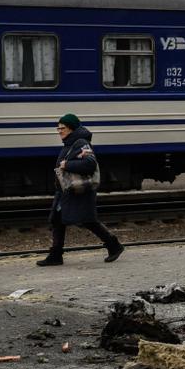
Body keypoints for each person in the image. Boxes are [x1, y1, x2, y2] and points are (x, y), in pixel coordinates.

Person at [37, 113, 124, 267]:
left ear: (71, 128)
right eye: (58, 128)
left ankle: (114, 245)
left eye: (62, 128)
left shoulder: (81, 143)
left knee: (88, 221)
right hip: (66, 191)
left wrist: (67, 165)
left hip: (79, 191)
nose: (59, 131)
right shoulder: (70, 143)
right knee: (57, 220)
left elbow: (90, 163)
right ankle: (56, 255)